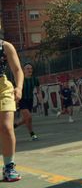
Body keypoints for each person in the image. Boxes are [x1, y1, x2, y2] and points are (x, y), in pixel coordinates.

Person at [0, 39, 23, 182]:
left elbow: (17, 70)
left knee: (7, 127)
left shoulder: (5, 46)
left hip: (3, 88)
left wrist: (19, 87)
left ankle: (9, 167)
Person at [14, 63, 42, 141]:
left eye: (31, 68)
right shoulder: (20, 79)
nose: (30, 70)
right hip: (22, 100)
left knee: (26, 119)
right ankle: (32, 134)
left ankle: (13, 126)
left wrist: (40, 98)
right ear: (23, 70)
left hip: (30, 100)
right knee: (29, 117)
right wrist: (15, 102)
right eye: (27, 68)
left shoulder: (35, 79)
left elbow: (38, 90)